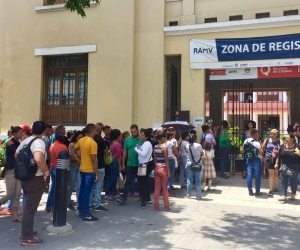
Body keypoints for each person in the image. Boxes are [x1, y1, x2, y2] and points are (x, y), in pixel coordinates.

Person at [17, 121, 50, 246]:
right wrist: (46, 170)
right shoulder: (38, 142)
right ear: (45, 130)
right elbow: (38, 158)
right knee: (30, 208)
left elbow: (16, 155)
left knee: (29, 207)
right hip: (35, 179)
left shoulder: (26, 140)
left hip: (25, 178)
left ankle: (26, 231)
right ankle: (27, 237)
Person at [72, 123, 99, 222]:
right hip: (90, 171)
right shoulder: (93, 143)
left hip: (82, 169)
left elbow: (73, 151)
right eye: (96, 130)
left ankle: (81, 211)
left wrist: (80, 161)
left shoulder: (81, 140)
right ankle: (86, 214)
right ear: (93, 131)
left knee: (82, 192)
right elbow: (94, 160)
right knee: (86, 193)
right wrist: (96, 174)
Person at [0, 126, 23, 221]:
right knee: (10, 194)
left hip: (18, 170)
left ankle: (15, 216)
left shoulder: (20, 142)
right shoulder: (9, 141)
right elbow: (19, 151)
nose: (21, 134)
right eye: (19, 133)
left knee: (17, 194)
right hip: (10, 170)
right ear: (14, 133)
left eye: (22, 132)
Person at [116, 125, 143, 205]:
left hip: (140, 164)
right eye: (132, 132)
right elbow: (125, 152)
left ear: (137, 131)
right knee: (128, 181)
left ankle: (143, 197)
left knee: (141, 181)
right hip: (130, 164)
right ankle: (124, 198)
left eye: (134, 132)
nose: (133, 133)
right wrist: (123, 164)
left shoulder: (142, 139)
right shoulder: (127, 139)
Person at [44, 131, 68, 213]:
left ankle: (48, 207)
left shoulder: (51, 146)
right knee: (57, 190)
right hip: (60, 169)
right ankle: (54, 207)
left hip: (52, 167)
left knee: (52, 189)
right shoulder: (64, 147)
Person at [276, 133, 300, 202]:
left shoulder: (297, 147)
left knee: (293, 182)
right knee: (284, 181)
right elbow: (279, 156)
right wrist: (277, 163)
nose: (286, 139)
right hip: (284, 166)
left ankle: (293, 194)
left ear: (292, 139)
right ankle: (284, 195)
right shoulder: (283, 146)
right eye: (286, 138)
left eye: (288, 138)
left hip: (294, 166)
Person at [90, 123, 108, 211]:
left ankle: (90, 203)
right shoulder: (100, 139)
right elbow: (105, 150)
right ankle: (97, 204)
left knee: (92, 185)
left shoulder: (90, 139)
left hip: (90, 165)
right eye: (101, 129)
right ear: (98, 129)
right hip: (99, 164)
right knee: (98, 185)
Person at [134, 128, 154, 208]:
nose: (140, 136)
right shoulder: (145, 143)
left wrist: (136, 149)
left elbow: (144, 154)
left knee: (143, 182)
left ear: (146, 137)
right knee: (142, 182)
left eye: (142, 135)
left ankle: (144, 200)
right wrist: (139, 148)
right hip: (143, 164)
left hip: (145, 164)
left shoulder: (147, 143)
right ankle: (144, 198)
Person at [243, 128, 264, 196]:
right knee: (257, 176)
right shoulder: (257, 143)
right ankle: (257, 191)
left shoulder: (246, 140)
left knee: (249, 175)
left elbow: (243, 150)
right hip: (256, 160)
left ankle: (250, 191)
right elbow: (261, 153)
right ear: (255, 134)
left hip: (248, 159)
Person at [153, 131, 170, 211]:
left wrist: (156, 167)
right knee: (164, 188)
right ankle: (166, 206)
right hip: (163, 168)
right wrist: (169, 171)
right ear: (162, 138)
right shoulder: (164, 147)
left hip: (157, 168)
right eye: (165, 137)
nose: (166, 139)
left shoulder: (155, 147)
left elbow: (155, 160)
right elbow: (166, 160)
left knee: (157, 188)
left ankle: (156, 206)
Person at [262, 129, 282, 196]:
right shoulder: (267, 140)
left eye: (273, 134)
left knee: (276, 174)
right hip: (269, 158)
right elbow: (262, 148)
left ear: (276, 134)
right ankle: (270, 189)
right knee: (271, 174)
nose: (272, 135)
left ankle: (275, 187)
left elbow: (282, 150)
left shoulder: (279, 141)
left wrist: (277, 151)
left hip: (277, 158)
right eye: (271, 134)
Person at [67, 131, 83, 210]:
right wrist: (79, 155)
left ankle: (79, 203)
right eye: (79, 137)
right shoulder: (72, 144)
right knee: (71, 185)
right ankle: (68, 201)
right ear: (76, 137)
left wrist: (77, 154)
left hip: (79, 166)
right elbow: (72, 157)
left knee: (79, 186)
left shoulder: (81, 145)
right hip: (73, 166)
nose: (81, 139)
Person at [105, 129, 122, 201]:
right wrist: (120, 166)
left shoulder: (112, 143)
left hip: (111, 162)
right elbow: (118, 156)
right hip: (115, 163)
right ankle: (107, 194)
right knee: (112, 179)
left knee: (112, 178)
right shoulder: (117, 144)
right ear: (118, 136)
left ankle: (115, 193)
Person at [186, 134, 204, 200]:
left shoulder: (187, 145)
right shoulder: (198, 145)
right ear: (195, 139)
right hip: (197, 164)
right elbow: (202, 154)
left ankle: (188, 195)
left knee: (189, 179)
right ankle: (198, 196)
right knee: (198, 180)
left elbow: (187, 152)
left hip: (189, 163)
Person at [166, 131, 179, 196]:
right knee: (170, 175)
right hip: (171, 159)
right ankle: (169, 189)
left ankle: (165, 189)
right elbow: (176, 150)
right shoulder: (170, 143)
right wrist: (178, 156)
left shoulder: (163, 143)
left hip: (164, 160)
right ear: (170, 136)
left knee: (165, 175)